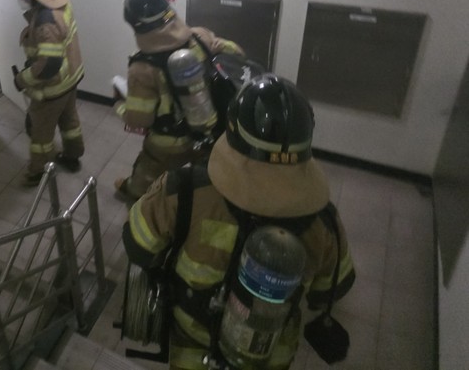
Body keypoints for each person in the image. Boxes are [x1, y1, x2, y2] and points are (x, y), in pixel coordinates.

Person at [122, 74, 356, 370]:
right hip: (269, 354)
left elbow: (138, 246)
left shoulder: (184, 189)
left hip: (194, 340)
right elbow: (330, 291)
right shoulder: (325, 222)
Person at [114, 0, 244, 201]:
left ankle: (137, 199)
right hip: (210, 129)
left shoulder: (142, 68)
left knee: (146, 178)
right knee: (203, 177)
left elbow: (139, 119)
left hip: (169, 143)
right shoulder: (199, 35)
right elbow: (237, 54)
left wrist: (119, 106)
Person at [6, 0, 85, 186]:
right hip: (71, 79)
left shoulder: (45, 21)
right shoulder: (60, 1)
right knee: (70, 120)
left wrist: (22, 79)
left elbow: (48, 65)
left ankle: (37, 172)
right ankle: (72, 156)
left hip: (53, 88)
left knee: (41, 133)